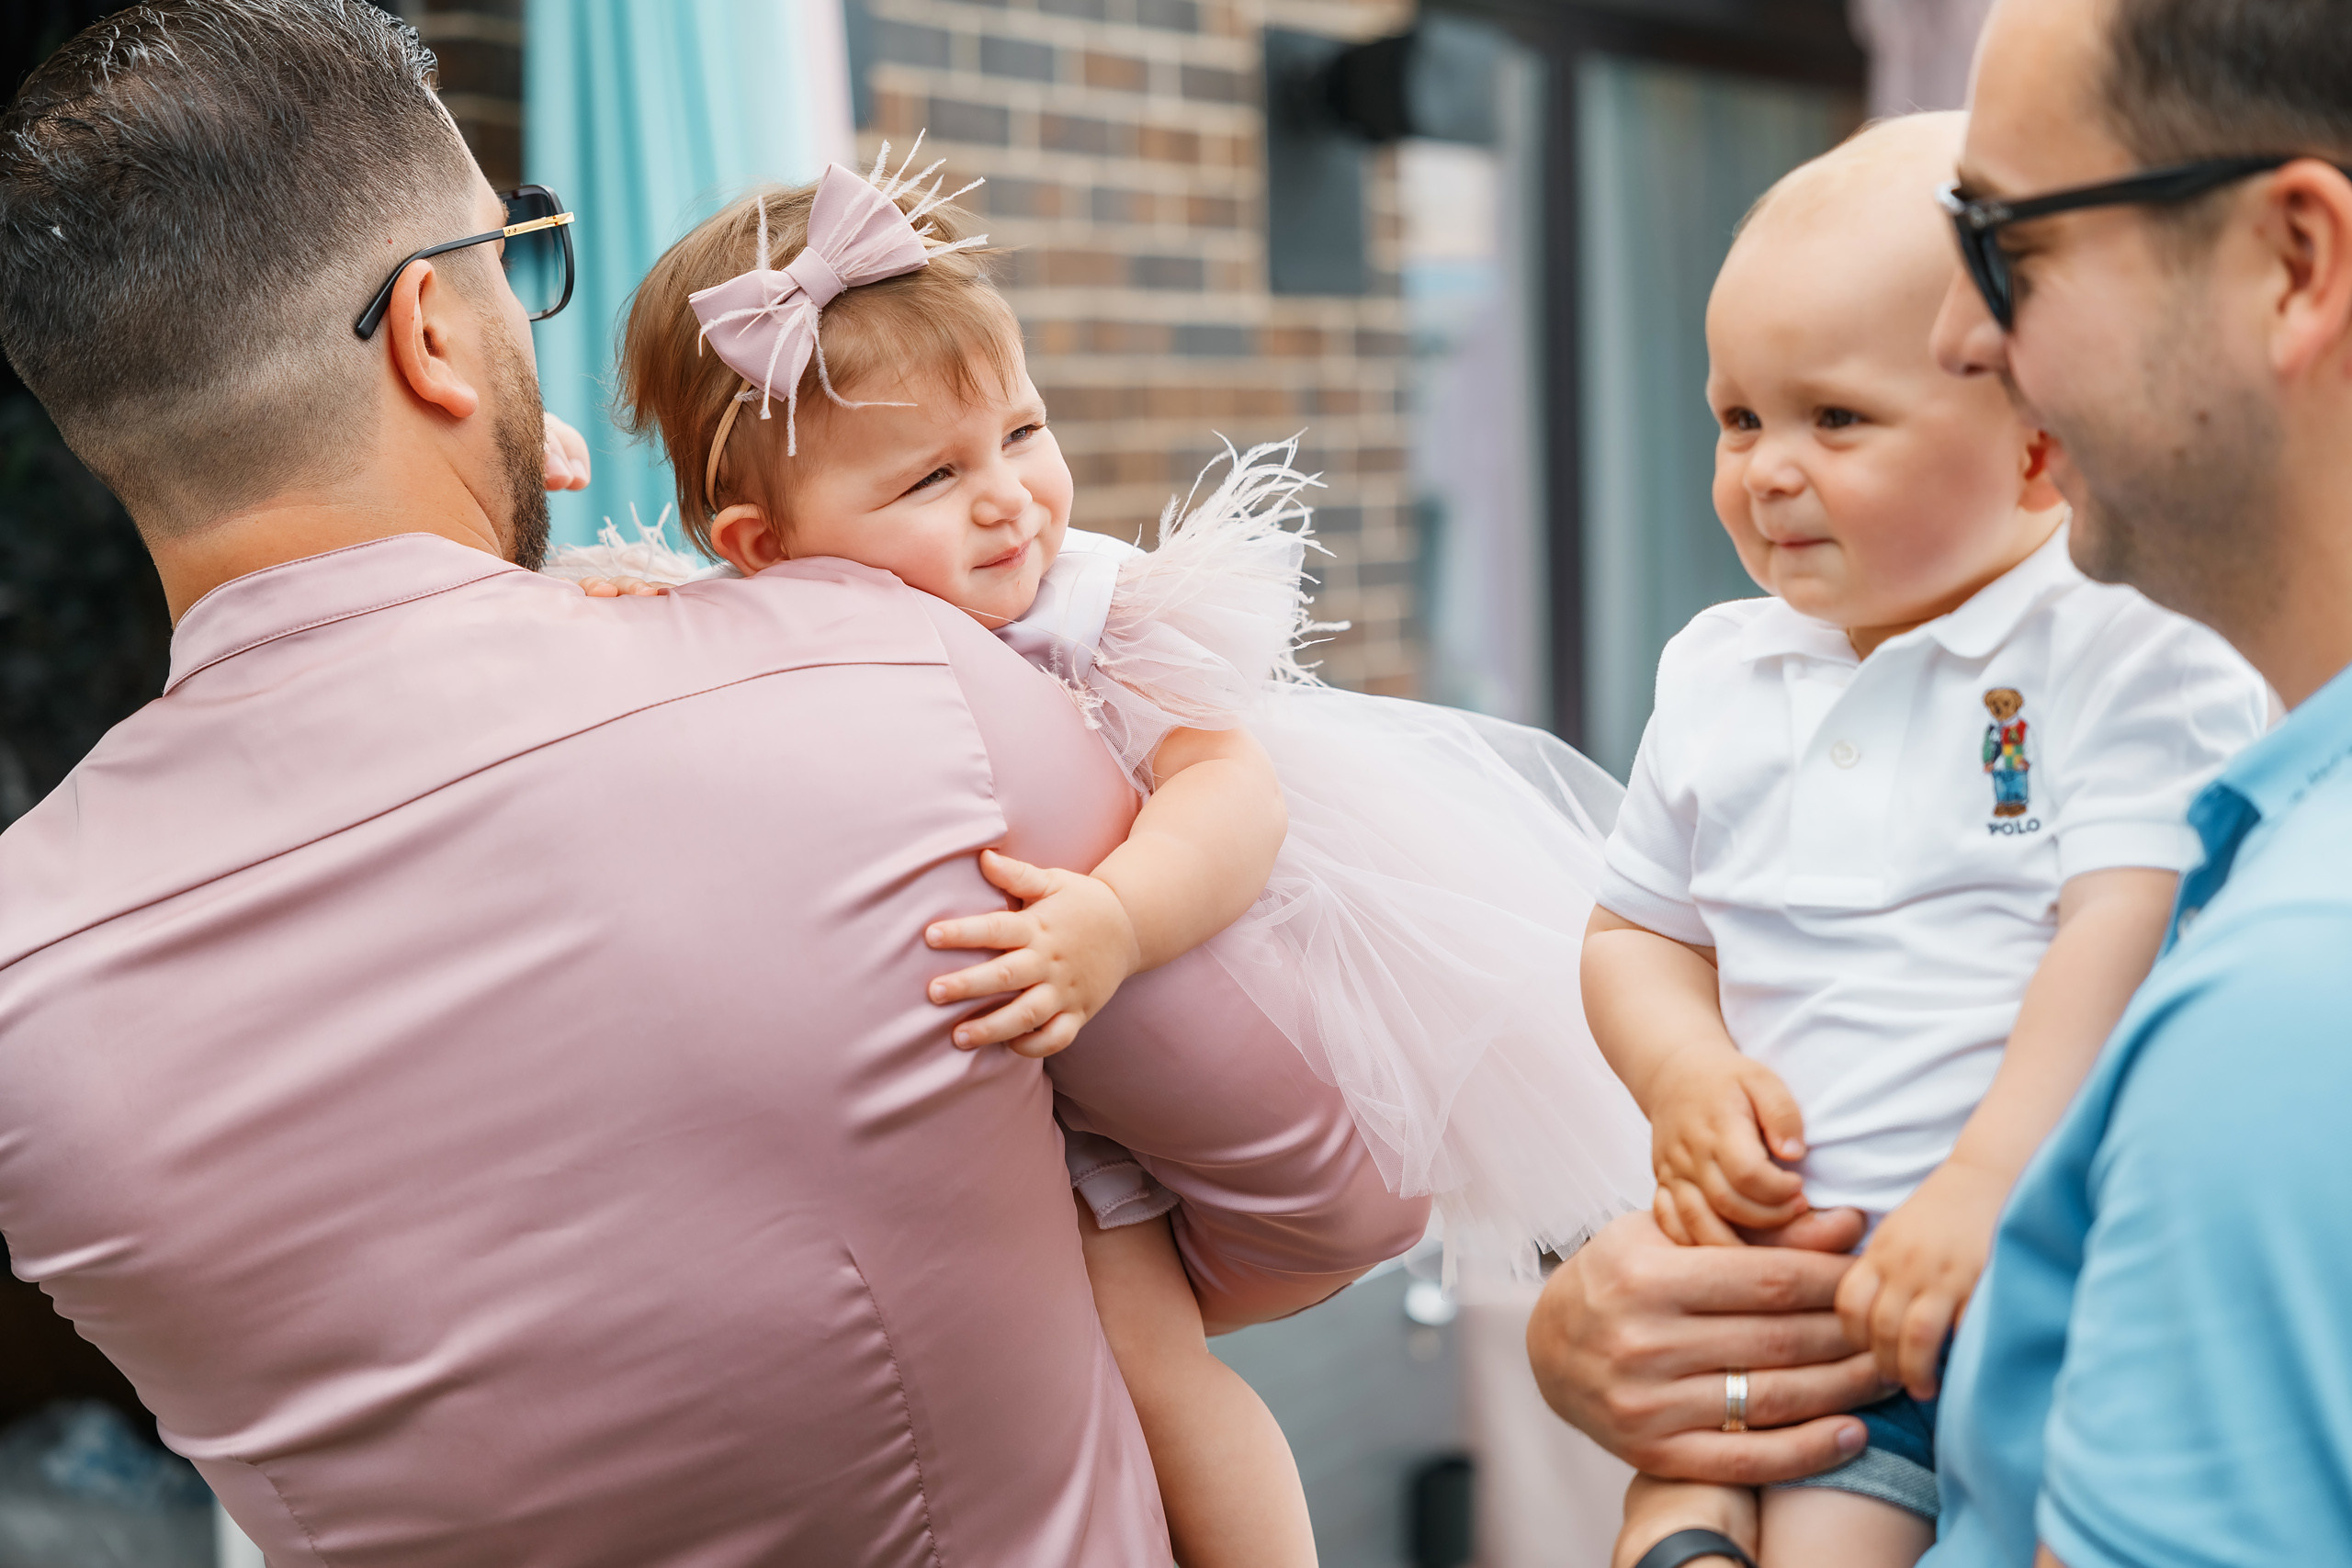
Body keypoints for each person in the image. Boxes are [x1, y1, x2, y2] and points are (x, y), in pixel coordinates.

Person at [0, 5, 1429, 1563]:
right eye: (514, 266)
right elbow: (1338, 1188)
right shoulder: (895, 676)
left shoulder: (26, 990)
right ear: (428, 334)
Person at [545, 151, 1652, 1567]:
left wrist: (1118, 920)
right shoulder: (753, 624)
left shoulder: (1085, 606)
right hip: (1001, 1113)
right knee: (1061, 1383)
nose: (1010, 497)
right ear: (768, 549)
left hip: (1192, 981)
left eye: (1021, 431)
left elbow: (1231, 794)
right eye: (934, 476)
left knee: (1161, 1376)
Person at [1533, 2, 2352, 1565]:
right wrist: (1667, 1140)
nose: (1984, 340)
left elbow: (2117, 926)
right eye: (1736, 419)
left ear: (2295, 261)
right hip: (1766, 1261)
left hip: (1925, 1306)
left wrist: (1981, 1181)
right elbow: (1639, 932)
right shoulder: (1721, 665)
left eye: (2017, 252)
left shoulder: (2272, 946)